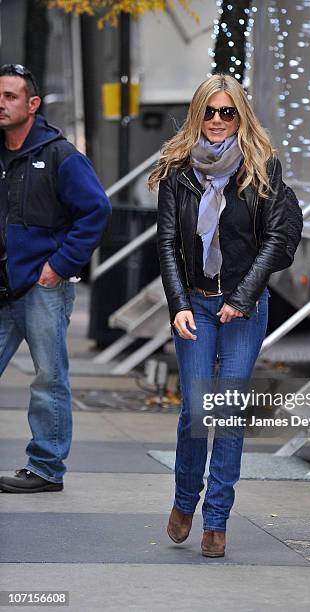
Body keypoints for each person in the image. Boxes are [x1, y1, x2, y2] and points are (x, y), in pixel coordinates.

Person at [149, 73, 302, 557]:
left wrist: (242, 296)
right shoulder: (178, 174)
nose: (218, 121)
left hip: (244, 307)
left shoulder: (263, 169)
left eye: (227, 112)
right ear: (198, 115)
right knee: (197, 410)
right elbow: (168, 245)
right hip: (195, 304)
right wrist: (177, 305)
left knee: (228, 410)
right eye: (210, 112)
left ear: (241, 116)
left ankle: (217, 518)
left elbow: (278, 240)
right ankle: (183, 500)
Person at [0, 64, 111, 493]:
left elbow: (96, 211)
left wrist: (60, 266)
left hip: (43, 287)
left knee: (48, 378)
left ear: (32, 104)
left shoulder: (61, 155)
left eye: (11, 96)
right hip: (3, 284)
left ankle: (46, 469)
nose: (2, 103)